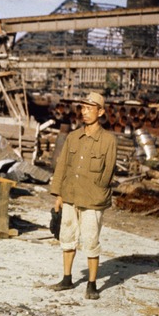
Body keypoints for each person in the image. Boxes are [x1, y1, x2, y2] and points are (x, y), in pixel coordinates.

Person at [49, 92, 117, 300]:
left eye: (90, 108)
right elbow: (62, 166)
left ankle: (92, 284)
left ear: (101, 112)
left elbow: (108, 172)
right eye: (83, 108)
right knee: (67, 238)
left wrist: (97, 191)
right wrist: (58, 194)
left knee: (90, 241)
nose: (85, 112)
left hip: (93, 199)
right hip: (70, 195)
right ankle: (67, 278)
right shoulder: (73, 137)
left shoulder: (108, 140)